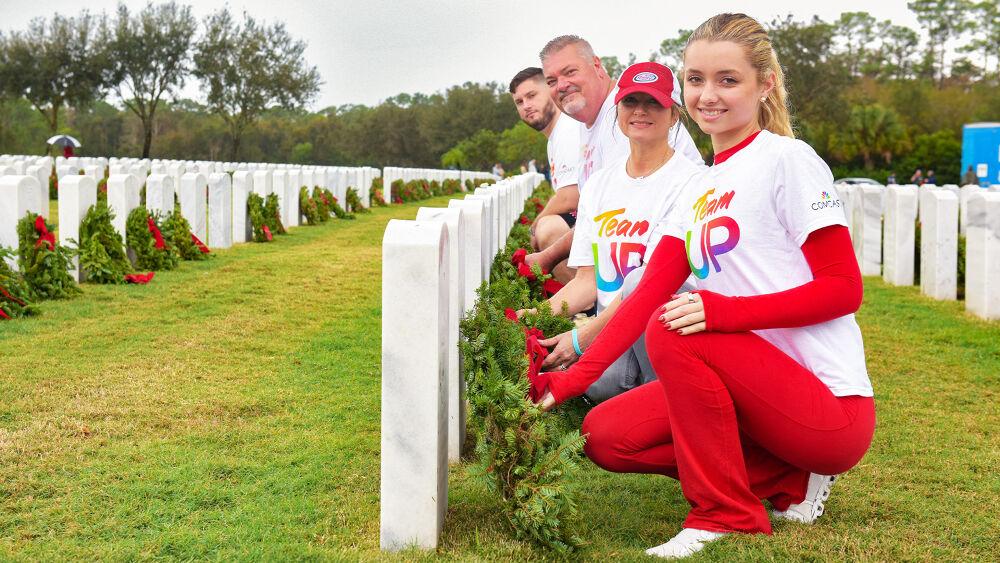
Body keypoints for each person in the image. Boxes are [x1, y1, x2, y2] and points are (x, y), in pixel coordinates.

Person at [534, 13, 875, 559]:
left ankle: (725, 513)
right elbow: (643, 295)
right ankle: (784, 477)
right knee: (604, 435)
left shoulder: (788, 160)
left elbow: (843, 291)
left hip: (827, 407)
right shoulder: (700, 187)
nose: (708, 95)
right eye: (695, 79)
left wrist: (723, 313)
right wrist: (570, 381)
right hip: (742, 389)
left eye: (727, 80)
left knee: (677, 324)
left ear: (764, 85)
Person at [532, 61, 703, 404]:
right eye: (631, 102)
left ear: (674, 116)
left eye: (654, 102)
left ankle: (673, 392)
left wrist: (582, 339)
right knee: (601, 387)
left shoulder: (693, 183)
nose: (641, 111)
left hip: (662, 327)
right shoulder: (599, 185)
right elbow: (587, 281)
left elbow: (649, 289)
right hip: (612, 331)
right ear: (618, 110)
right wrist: (533, 318)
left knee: (640, 282)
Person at [525, 35, 704, 280]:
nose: (562, 85)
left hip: (666, 258)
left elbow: (621, 216)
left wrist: (547, 257)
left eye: (570, 72)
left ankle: (588, 315)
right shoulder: (586, 121)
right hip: (632, 253)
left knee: (551, 231)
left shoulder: (628, 124)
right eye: (552, 80)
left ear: (597, 66)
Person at [509, 67, 582, 279]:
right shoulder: (555, 137)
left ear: (551, 90)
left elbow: (570, 197)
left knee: (547, 228)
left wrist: (533, 228)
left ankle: (584, 307)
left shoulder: (567, 129)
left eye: (532, 95)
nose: (526, 106)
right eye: (519, 102)